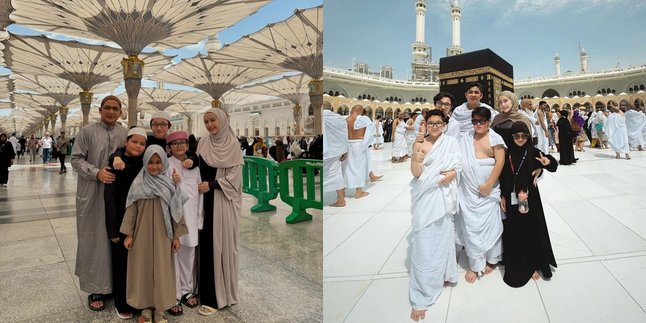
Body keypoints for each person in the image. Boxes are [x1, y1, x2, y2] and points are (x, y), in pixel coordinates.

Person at [71, 95, 128, 311]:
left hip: (117, 195)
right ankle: (96, 287)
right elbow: (75, 159)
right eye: (107, 108)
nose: (111, 112)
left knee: (115, 237)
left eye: (115, 108)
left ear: (120, 111)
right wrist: (97, 173)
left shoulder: (124, 133)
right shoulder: (87, 132)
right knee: (93, 238)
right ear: (100, 109)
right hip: (92, 192)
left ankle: (114, 285)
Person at [120, 145, 188, 323]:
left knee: (162, 270)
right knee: (142, 269)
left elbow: (177, 212)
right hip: (141, 235)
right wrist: (129, 234)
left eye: (158, 162)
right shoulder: (138, 183)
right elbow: (132, 210)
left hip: (163, 236)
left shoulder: (170, 184)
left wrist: (176, 236)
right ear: (145, 162)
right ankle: (145, 308)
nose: (155, 166)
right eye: (150, 162)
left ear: (164, 163)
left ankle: (160, 309)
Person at [409, 110, 460, 322]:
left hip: (443, 194)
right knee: (423, 240)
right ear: (426, 124)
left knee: (442, 236)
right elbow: (416, 173)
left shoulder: (451, 143)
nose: (435, 126)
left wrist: (451, 174)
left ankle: (444, 274)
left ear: (444, 124)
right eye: (431, 123)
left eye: (439, 123)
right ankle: (422, 290)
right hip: (426, 194)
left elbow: (457, 166)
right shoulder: (419, 144)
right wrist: (415, 158)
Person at [196, 108, 244, 315]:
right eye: (206, 121)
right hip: (202, 201)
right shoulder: (204, 143)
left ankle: (217, 298)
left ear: (222, 120)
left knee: (220, 246)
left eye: (213, 120)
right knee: (205, 246)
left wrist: (213, 185)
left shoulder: (232, 144)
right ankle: (204, 291)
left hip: (221, 201)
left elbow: (235, 178)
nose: (209, 125)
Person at [499, 121, 558, 287]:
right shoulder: (507, 153)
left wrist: (547, 163)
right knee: (514, 231)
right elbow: (503, 177)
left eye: (523, 136)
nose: (520, 139)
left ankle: (533, 264)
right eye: (516, 136)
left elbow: (553, 164)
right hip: (512, 198)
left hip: (530, 199)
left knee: (531, 230)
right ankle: (518, 262)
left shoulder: (532, 152)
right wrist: (503, 196)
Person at [456, 106, 506, 283]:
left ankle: (492, 260)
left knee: (491, 226)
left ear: (489, 122)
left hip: (488, 191)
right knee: (471, 227)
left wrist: (489, 184)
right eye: (474, 121)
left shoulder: (495, 138)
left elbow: (500, 162)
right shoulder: (466, 137)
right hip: (469, 192)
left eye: (481, 121)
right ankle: (475, 264)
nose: (478, 124)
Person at [104, 127, 147, 319]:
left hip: (142, 221)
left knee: (138, 263)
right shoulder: (117, 165)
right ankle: (122, 302)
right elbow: (110, 198)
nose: (138, 146)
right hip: (122, 223)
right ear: (125, 143)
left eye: (142, 143)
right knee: (121, 263)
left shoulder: (146, 163)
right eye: (134, 142)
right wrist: (113, 230)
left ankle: (138, 299)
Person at [164, 131, 202, 316]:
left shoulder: (194, 166)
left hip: (191, 219)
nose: (179, 146)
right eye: (175, 143)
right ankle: (174, 294)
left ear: (188, 146)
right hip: (173, 219)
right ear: (169, 147)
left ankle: (186, 291)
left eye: (182, 143)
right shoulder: (166, 165)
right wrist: (173, 183)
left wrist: (199, 219)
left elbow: (199, 193)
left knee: (189, 256)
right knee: (173, 257)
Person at [112, 111, 199, 171]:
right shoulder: (146, 141)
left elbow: (191, 155)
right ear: (151, 126)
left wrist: (191, 161)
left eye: (163, 124)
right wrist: (116, 157)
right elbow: (126, 149)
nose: (159, 128)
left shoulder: (173, 142)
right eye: (155, 124)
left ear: (169, 126)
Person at [324, 101, 349, 207]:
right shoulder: (339, 118)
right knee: (336, 174)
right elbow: (344, 134)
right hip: (335, 151)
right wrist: (345, 150)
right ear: (332, 108)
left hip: (323, 151)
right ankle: (341, 199)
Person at [343, 105, 370, 198]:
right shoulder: (362, 119)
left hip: (348, 143)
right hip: (359, 144)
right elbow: (369, 131)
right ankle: (359, 192)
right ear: (360, 110)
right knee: (360, 167)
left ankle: (343, 190)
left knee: (347, 167)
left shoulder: (346, 119)